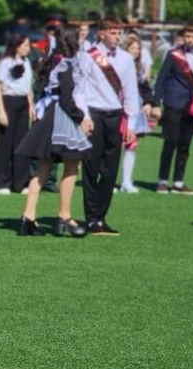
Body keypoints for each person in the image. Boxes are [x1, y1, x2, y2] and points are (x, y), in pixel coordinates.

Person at [15, 28, 92, 237]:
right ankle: (64, 216)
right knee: (72, 163)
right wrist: (81, 118)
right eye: (80, 38)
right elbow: (67, 99)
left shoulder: (54, 60)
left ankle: (28, 217)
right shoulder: (66, 64)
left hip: (51, 114)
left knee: (43, 167)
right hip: (62, 117)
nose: (83, 41)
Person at [74, 16, 141, 235]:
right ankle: (91, 217)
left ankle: (101, 217)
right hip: (94, 114)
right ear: (101, 33)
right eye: (113, 32)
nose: (117, 36)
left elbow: (131, 92)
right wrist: (84, 117)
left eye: (119, 32)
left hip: (115, 115)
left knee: (110, 170)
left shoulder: (125, 59)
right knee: (91, 167)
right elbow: (80, 90)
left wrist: (131, 123)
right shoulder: (87, 56)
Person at [152, 22, 193, 196]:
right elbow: (161, 79)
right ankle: (163, 181)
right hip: (173, 102)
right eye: (188, 36)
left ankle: (178, 182)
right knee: (170, 141)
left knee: (185, 144)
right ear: (183, 36)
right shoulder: (174, 55)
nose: (190, 40)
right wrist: (155, 103)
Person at [0, 35, 35, 195]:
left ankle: (20, 182)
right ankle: (1, 182)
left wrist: (31, 105)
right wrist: (1, 111)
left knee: (21, 143)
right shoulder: (6, 62)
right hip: (8, 102)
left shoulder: (27, 62)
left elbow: (28, 87)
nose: (28, 48)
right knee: (5, 143)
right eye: (26, 45)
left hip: (23, 103)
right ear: (17, 46)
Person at [117, 33, 155, 194]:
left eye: (138, 48)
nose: (136, 51)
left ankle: (126, 181)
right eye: (133, 48)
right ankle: (109, 181)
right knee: (115, 145)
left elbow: (145, 86)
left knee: (132, 145)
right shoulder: (118, 64)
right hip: (119, 107)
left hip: (135, 108)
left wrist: (148, 102)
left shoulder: (139, 67)